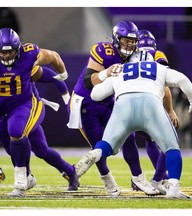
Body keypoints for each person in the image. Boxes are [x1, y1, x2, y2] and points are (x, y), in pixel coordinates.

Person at [0, 27, 78, 197]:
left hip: (26, 105)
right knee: (39, 150)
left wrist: (63, 75)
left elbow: (53, 59)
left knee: (16, 132)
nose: (7, 56)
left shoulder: (28, 56)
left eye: (11, 52)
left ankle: (21, 180)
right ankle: (69, 172)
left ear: (18, 49)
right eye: (3, 53)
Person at [76, 50, 192, 199]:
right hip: (151, 104)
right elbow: (182, 79)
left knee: (107, 144)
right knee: (171, 147)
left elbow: (95, 95)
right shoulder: (158, 68)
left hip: (123, 106)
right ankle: (173, 188)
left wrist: (109, 77)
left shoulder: (120, 69)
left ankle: (97, 152)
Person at [67, 20, 157, 196]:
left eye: (132, 41)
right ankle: (107, 180)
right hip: (86, 102)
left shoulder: (136, 57)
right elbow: (88, 80)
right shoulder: (103, 50)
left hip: (109, 101)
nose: (129, 45)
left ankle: (139, 179)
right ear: (116, 39)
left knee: (128, 136)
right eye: (125, 40)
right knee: (98, 147)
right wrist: (106, 73)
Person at [136, 29, 179, 194]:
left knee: (143, 139)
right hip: (150, 105)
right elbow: (164, 84)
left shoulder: (128, 58)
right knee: (169, 143)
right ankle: (159, 179)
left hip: (126, 105)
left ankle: (137, 176)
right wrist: (171, 110)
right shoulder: (157, 54)